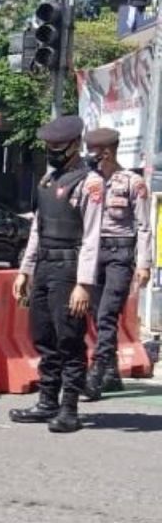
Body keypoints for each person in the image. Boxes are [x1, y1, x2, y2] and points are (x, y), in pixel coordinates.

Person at [10, 116, 105, 433]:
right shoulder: (47, 182)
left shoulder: (90, 183)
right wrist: (25, 269)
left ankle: (70, 409)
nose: (52, 152)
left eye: (58, 147)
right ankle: (47, 401)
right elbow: (38, 228)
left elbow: (92, 237)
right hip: (44, 267)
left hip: (70, 268)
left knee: (69, 338)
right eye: (48, 147)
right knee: (44, 335)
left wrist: (84, 284)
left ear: (75, 145)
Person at [82, 127, 154, 400]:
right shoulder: (90, 182)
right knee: (97, 315)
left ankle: (97, 374)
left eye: (94, 153)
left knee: (107, 315)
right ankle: (112, 374)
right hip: (93, 254)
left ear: (107, 153)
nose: (90, 158)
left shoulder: (132, 182)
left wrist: (144, 263)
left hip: (120, 255)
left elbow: (144, 226)